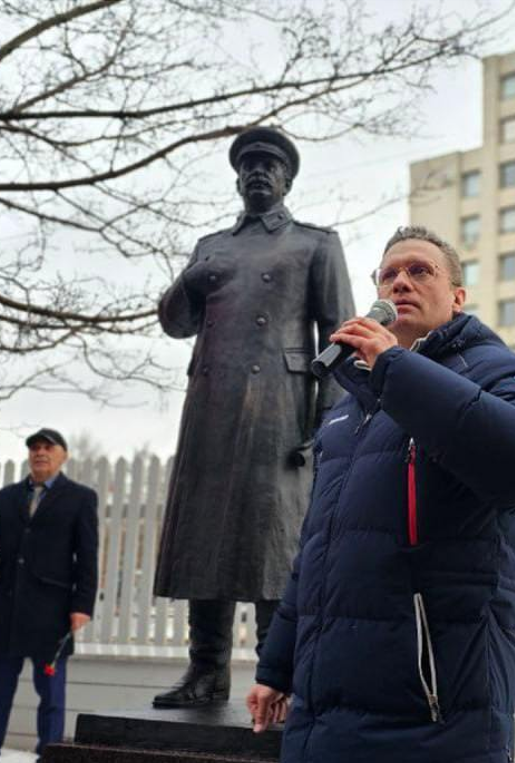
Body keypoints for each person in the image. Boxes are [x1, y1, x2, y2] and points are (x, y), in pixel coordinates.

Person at [245, 226, 515, 763]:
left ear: (458, 297)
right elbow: (320, 548)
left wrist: (394, 368)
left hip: (435, 717)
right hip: (324, 723)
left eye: (420, 271)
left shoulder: (500, 374)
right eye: (388, 274)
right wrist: (277, 668)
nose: (400, 281)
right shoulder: (349, 410)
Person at [153, 127, 354, 708]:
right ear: (237, 178)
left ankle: (278, 677)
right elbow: (175, 324)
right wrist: (187, 279)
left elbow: (338, 336)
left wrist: (326, 421)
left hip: (279, 409)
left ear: (287, 179)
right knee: (204, 536)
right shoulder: (211, 246)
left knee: (274, 542)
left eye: (270, 165)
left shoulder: (314, 244)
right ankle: (206, 670)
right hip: (211, 407)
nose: (258, 173)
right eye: (249, 166)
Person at [0, 428, 98, 763]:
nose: (40, 453)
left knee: (51, 697)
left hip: (52, 614)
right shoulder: (6, 497)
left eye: (48, 448)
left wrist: (82, 605)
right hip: (5, 611)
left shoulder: (80, 498)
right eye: (34, 448)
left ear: (63, 455)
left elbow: (88, 556)